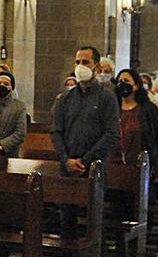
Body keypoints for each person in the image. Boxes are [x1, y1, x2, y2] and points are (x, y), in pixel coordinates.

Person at [51, 46, 119, 175]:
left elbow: (111, 133)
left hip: (94, 167)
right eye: (77, 62)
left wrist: (85, 161)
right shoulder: (65, 98)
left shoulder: (107, 97)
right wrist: (66, 160)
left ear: (96, 66)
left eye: (85, 62)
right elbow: (56, 130)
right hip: (66, 166)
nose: (80, 66)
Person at [114, 68, 158, 163]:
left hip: (140, 162)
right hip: (114, 163)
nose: (122, 84)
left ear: (136, 86)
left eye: (126, 81)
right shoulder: (113, 108)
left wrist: (152, 154)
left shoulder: (148, 109)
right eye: (119, 81)